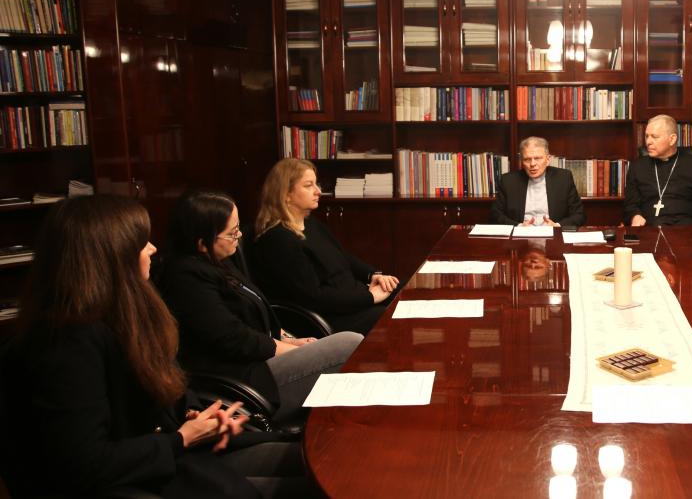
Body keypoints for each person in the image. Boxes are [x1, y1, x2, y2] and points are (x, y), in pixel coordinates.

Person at [1, 195, 316, 499]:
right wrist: (181, 438)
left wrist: (194, 414)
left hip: (177, 458)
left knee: (310, 460)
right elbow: (84, 463)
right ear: (111, 256)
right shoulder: (66, 343)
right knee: (311, 485)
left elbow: (160, 391)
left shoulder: (127, 311)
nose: (152, 248)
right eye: (142, 243)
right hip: (142, 478)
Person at [158, 190, 363, 424]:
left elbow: (255, 309)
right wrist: (289, 350)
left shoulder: (219, 261)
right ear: (202, 243)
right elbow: (232, 337)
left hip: (261, 356)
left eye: (238, 228)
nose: (239, 235)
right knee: (349, 343)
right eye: (232, 233)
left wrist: (288, 340)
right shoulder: (186, 279)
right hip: (245, 377)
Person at [249, 158, 400, 335]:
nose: (318, 191)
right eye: (308, 185)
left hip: (351, 297)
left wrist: (374, 275)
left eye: (316, 184)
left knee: (404, 288)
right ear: (286, 194)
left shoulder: (311, 224)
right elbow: (314, 297)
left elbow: (342, 256)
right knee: (391, 316)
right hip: (330, 316)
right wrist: (369, 297)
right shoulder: (278, 239)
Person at [624, 114, 692, 226]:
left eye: (654, 137)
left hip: (686, 230)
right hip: (650, 228)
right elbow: (630, 205)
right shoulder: (637, 167)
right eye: (647, 136)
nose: (648, 142)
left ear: (672, 139)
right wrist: (635, 216)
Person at [489, 136, 586, 227]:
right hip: (521, 234)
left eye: (537, 158)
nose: (532, 164)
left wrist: (557, 226)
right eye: (527, 159)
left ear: (548, 159)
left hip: (553, 233)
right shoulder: (508, 181)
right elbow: (495, 215)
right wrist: (519, 226)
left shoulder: (563, 178)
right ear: (521, 161)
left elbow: (579, 215)